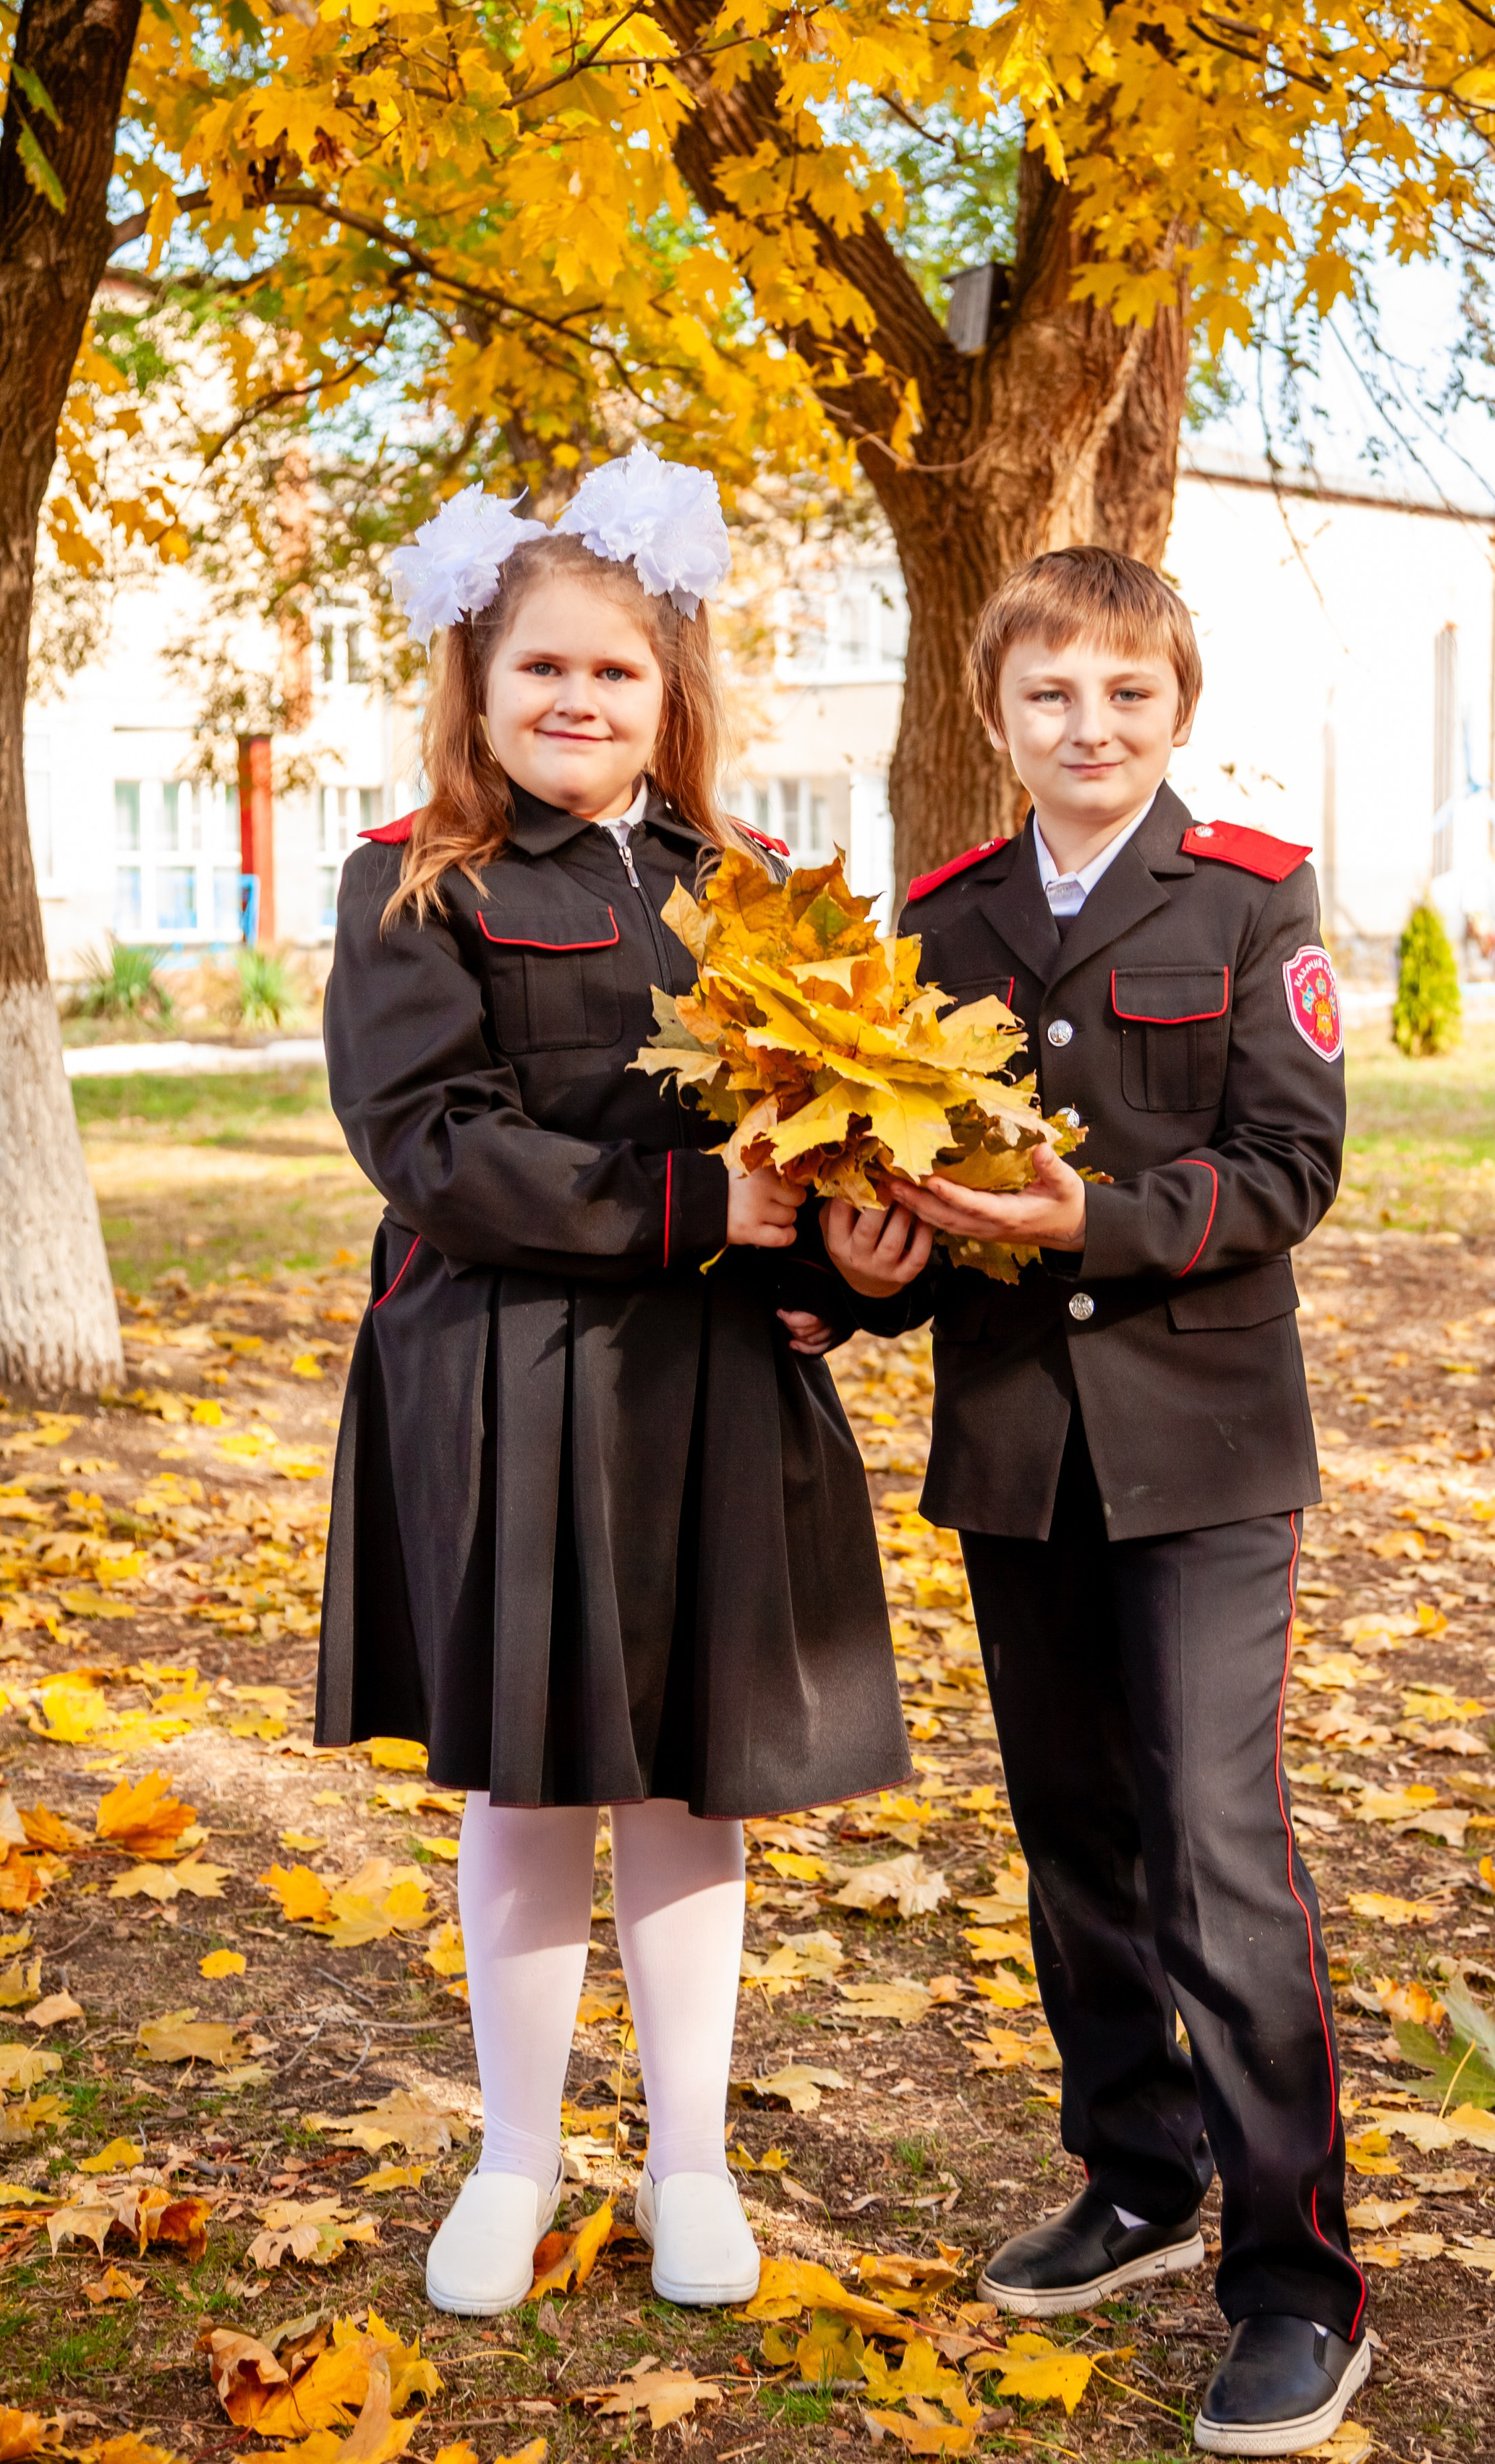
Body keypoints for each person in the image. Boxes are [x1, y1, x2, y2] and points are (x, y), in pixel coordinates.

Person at [316, 455, 916, 2321]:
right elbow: (428, 1142)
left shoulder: (749, 892)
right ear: (476, 691)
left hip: (710, 1386)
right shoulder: (417, 883)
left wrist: (851, 1269)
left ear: (676, 695)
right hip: (504, 1382)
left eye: (619, 675)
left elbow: (807, 1146)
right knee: (531, 1790)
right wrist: (689, 1204)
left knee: (686, 1791)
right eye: (542, 674)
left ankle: (690, 2164)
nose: (579, 703)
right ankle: (511, 2157)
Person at [828, 546, 1368, 2459]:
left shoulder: (1246, 896)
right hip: (1017, 1445)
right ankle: (1138, 2178)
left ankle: (1300, 2278)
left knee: (1216, 1845)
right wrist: (866, 1261)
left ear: (1178, 714)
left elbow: (1287, 1168)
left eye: (1129, 697)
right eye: (1054, 695)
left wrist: (1104, 1221)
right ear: (998, 716)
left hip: (1206, 1451)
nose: (1091, 725)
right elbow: (902, 1157)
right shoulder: (946, 916)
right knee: (1071, 1836)